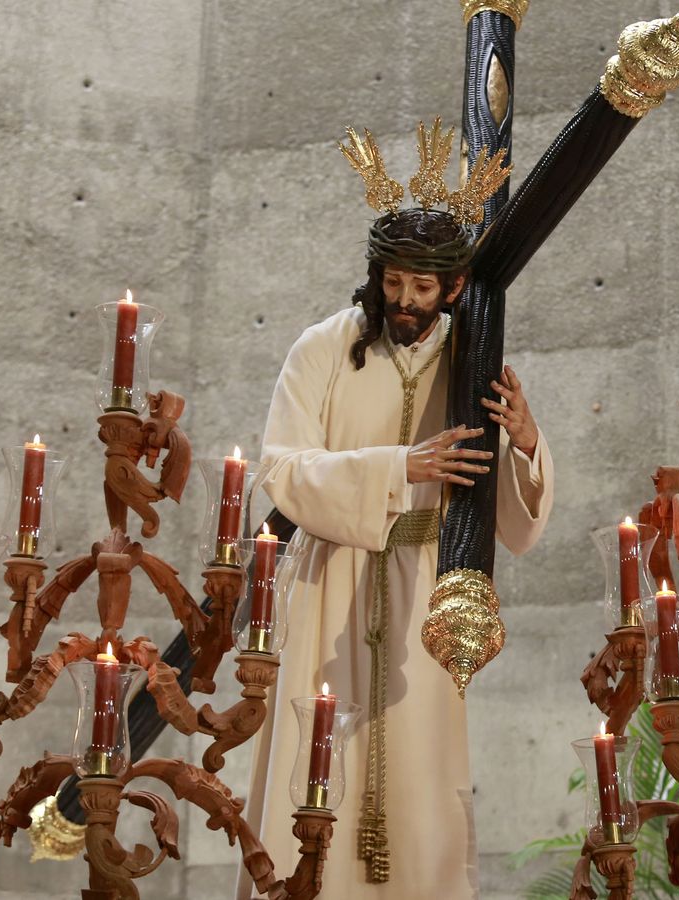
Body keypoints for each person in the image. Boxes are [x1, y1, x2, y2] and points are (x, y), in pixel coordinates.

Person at [242, 129, 554, 899]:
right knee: (305, 781)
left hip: (424, 586)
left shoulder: (473, 361)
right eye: (395, 283)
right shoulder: (321, 348)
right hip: (327, 583)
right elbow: (280, 470)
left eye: (424, 289)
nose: (406, 303)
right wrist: (398, 468)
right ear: (376, 276)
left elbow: (515, 524)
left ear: (452, 289)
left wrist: (527, 440)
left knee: (419, 785)